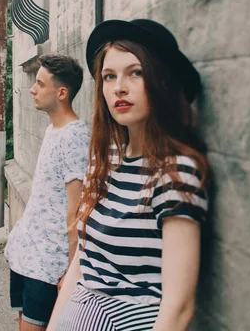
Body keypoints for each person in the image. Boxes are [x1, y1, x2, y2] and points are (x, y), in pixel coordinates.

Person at [47, 19, 210, 331]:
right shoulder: (105, 162)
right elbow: (83, 263)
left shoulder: (175, 173)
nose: (119, 87)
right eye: (109, 76)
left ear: (161, 81)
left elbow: (178, 307)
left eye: (136, 72)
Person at [4, 54, 91, 331]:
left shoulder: (74, 138)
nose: (32, 89)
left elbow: (76, 211)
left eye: (40, 84)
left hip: (49, 266)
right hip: (28, 256)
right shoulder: (54, 129)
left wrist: (71, 272)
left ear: (62, 93)